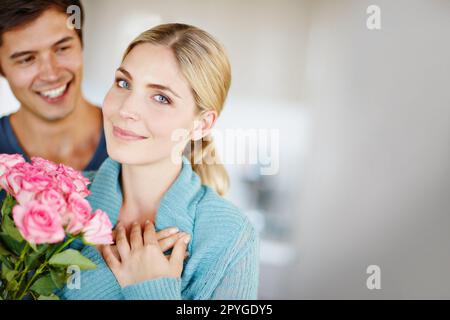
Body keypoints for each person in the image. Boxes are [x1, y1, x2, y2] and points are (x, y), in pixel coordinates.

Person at [59, 23, 259, 300]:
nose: (127, 108)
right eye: (123, 83)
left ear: (201, 124)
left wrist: (151, 290)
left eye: (161, 97)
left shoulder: (231, 237)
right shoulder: (56, 198)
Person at [0, 0, 107, 172]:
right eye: (27, 59)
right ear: (2, 68)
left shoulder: (140, 143)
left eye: (62, 48)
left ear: (81, 44)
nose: (51, 74)